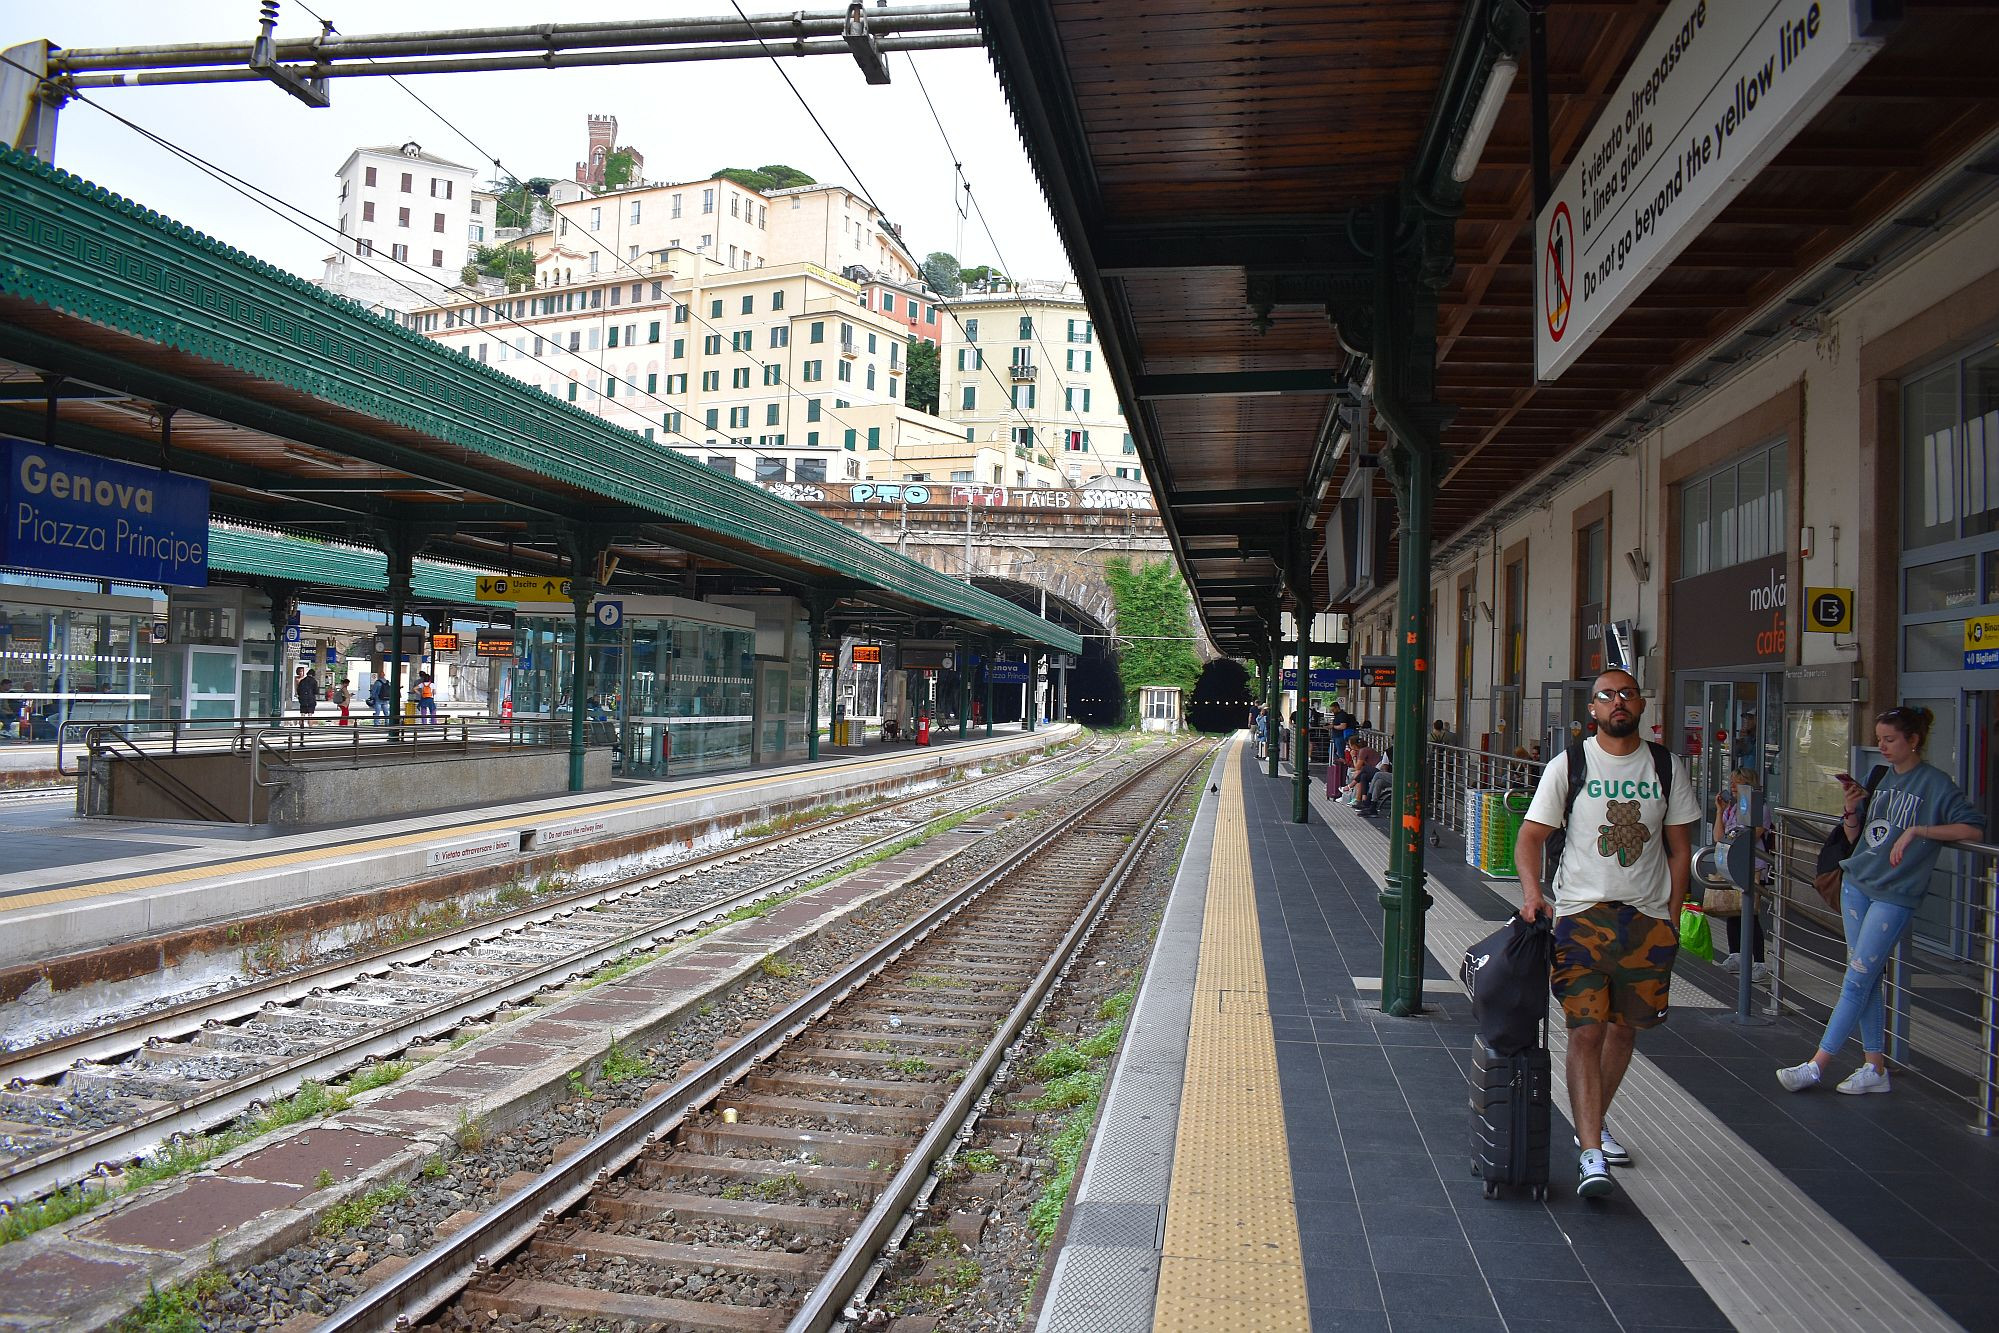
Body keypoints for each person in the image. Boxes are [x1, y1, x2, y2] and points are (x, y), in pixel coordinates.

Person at [1515, 669, 1698, 1198]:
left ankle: (1591, 1123)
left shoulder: (1666, 766)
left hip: (1646, 921)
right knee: (1586, 1031)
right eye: (1607, 696)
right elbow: (1530, 837)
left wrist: (1671, 915)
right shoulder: (1570, 765)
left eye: (1627, 694)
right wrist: (1533, 894)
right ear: (1592, 710)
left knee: (1624, 1030)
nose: (1618, 702)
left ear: (1641, 705)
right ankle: (1591, 1152)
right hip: (1581, 916)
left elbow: (1679, 849)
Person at [1777, 705, 1984, 1095]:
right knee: (1864, 979)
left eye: (1890, 740)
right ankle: (1874, 1067)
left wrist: (1919, 831)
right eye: (1879, 740)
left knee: (1857, 979)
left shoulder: (1935, 783)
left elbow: (1973, 829)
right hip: (1858, 882)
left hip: (1894, 893)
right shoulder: (1884, 777)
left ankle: (1817, 1065)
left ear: (1913, 740)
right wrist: (1851, 810)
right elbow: (1860, 838)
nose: (1883, 747)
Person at [1711, 767, 1771, 980]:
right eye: (1732, 782)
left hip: (1753, 866)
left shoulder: (1760, 808)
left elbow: (1752, 836)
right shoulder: (1732, 809)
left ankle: (1759, 962)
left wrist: (1731, 838)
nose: (1733, 786)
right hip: (1732, 864)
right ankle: (1735, 954)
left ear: (1749, 784)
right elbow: (1718, 837)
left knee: (1750, 914)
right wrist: (1719, 811)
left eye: (1738, 782)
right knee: (1732, 910)